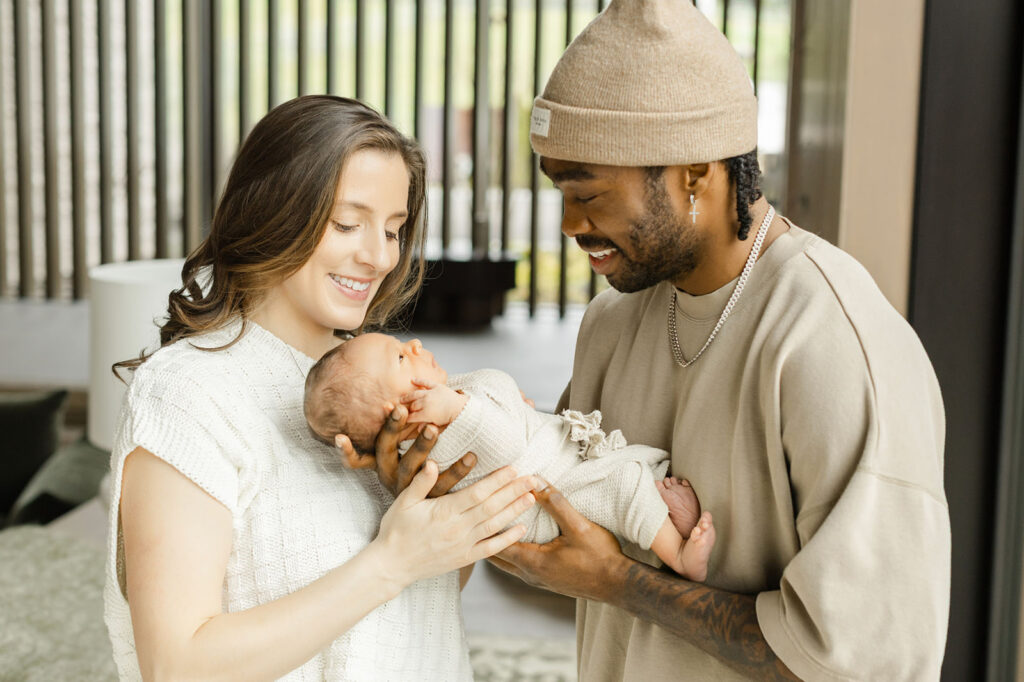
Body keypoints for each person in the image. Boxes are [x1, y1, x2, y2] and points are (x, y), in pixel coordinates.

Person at [338, 1, 951, 680]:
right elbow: (560, 535)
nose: (569, 223)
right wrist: (446, 479)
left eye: (589, 194)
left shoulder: (832, 343)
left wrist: (620, 583)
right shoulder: (612, 322)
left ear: (696, 173)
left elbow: (864, 660)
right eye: (559, 191)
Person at [103, 95, 539, 681]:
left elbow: (419, 612)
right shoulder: (189, 392)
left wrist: (439, 509)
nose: (379, 256)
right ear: (273, 212)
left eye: (394, 229)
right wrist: (391, 561)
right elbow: (177, 666)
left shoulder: (377, 384)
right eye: (347, 224)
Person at [303, 332, 718, 580]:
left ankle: (663, 508)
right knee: (621, 486)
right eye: (399, 357)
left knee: (630, 468)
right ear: (395, 410)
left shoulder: (439, 406)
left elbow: (488, 395)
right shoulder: (432, 441)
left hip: (552, 462)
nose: (414, 344)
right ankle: (679, 555)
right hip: (545, 501)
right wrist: (462, 409)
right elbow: (503, 446)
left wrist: (501, 401)